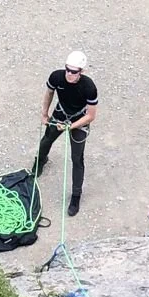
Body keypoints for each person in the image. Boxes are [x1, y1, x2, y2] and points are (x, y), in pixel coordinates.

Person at [33, 51, 98, 216]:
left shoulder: (89, 87)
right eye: (67, 69)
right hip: (61, 113)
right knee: (46, 140)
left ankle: (76, 196)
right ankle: (40, 162)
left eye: (74, 71)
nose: (69, 74)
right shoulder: (57, 77)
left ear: (81, 72)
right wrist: (44, 113)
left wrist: (71, 126)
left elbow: (91, 116)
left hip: (79, 119)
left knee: (77, 158)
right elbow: (49, 93)